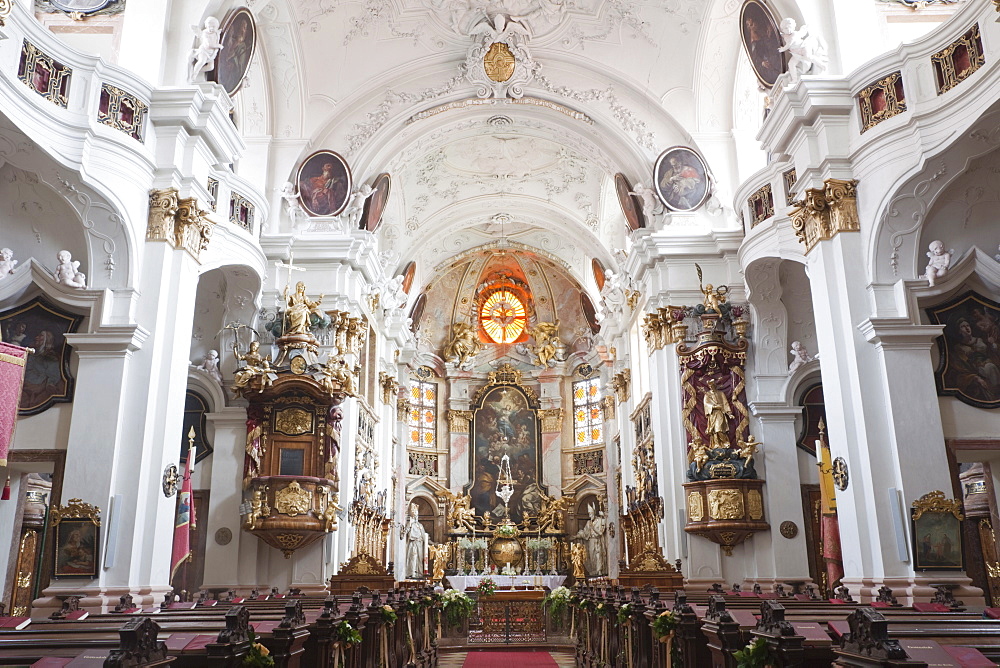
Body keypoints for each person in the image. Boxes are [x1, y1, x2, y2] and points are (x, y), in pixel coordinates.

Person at [573, 504, 607, 577]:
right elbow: (584, 532)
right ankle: (594, 571)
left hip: (597, 541)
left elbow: (601, 532)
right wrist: (576, 536)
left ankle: (599, 571)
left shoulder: (600, 520)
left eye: (591, 513)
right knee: (592, 557)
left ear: (594, 513)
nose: (590, 515)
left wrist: (594, 527)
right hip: (590, 541)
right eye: (589, 513)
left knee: (598, 556)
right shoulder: (589, 523)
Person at [190, 16, 223, 82]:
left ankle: (198, 69)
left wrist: (218, 33)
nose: (212, 29)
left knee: (211, 67)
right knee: (202, 61)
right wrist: (218, 46)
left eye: (214, 27)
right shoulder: (205, 33)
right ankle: (194, 74)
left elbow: (217, 35)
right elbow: (209, 44)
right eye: (210, 27)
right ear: (206, 26)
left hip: (211, 54)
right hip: (204, 51)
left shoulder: (216, 33)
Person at [703, 379, 734, 448]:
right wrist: (714, 407)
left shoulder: (720, 393)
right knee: (714, 430)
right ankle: (716, 444)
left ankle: (724, 442)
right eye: (710, 386)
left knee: (719, 428)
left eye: (712, 386)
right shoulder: (707, 394)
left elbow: (725, 403)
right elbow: (706, 404)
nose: (711, 387)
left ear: (715, 385)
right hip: (713, 413)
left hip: (720, 413)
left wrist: (729, 414)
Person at [403, 502, 427, 580]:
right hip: (413, 543)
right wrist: (408, 527)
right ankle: (412, 573)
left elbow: (424, 536)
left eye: (417, 514)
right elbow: (405, 532)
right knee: (413, 557)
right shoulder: (410, 524)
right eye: (414, 514)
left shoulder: (420, 525)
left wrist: (431, 543)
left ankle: (419, 573)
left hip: (420, 543)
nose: (416, 516)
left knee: (420, 559)